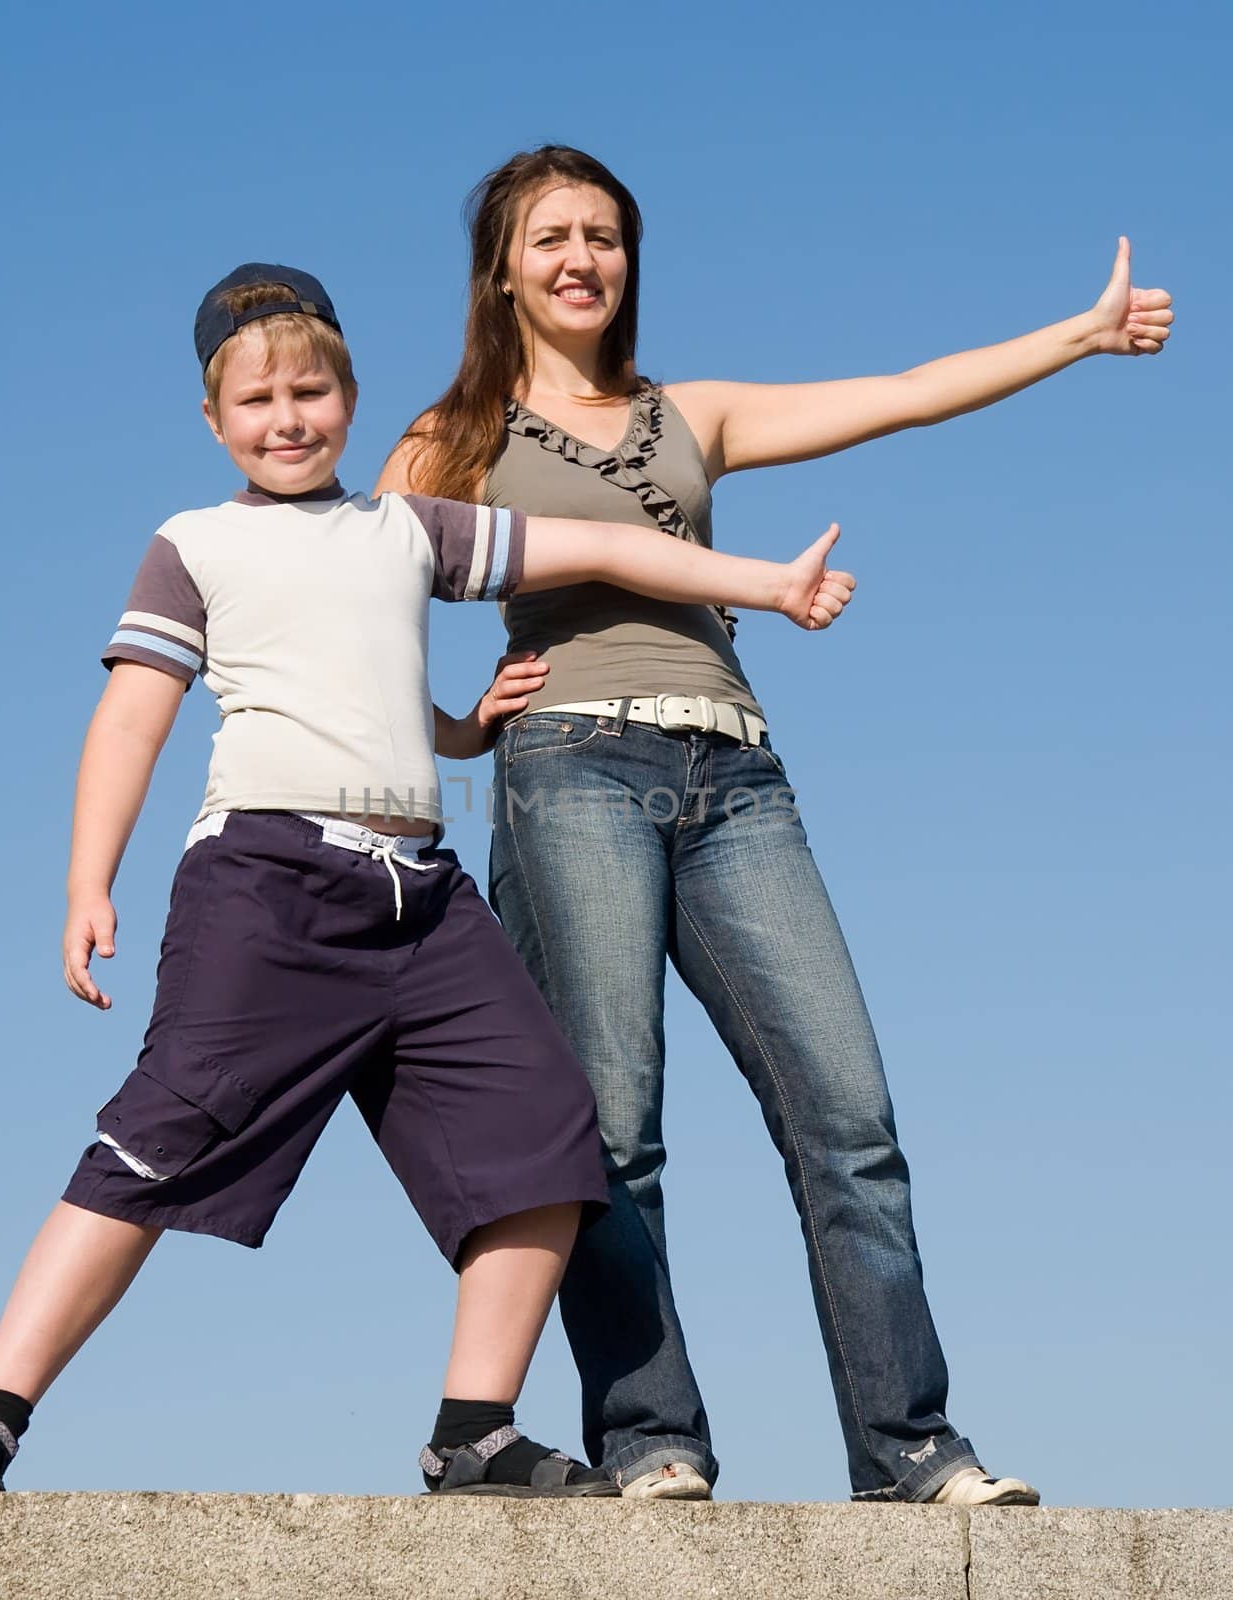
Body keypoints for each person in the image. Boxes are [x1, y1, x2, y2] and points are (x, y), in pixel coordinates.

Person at [0, 264, 853, 1499]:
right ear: (213, 420)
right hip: (267, 884)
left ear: (351, 400)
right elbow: (132, 718)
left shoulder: (411, 530)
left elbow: (600, 547)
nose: (286, 417)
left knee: (554, 1129)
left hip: (424, 901)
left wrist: (763, 584)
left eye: (312, 391)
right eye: (257, 400)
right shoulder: (196, 544)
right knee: (159, 1136)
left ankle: (474, 1430)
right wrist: (90, 882)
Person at [376, 145, 1174, 1505]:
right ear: (502, 266)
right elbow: (358, 602)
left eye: (605, 236)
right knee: (612, 1128)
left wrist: (1076, 335)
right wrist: (455, 729)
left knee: (843, 1110)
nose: (582, 258)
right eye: (553, 235)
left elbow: (899, 397)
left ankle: (908, 1448)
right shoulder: (447, 438)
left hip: (736, 778)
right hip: (568, 770)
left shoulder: (687, 413)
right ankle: (650, 1438)